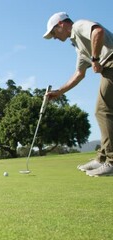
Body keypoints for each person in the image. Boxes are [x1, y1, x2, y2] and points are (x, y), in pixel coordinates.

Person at [44, 12, 113, 177]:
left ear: (61, 24)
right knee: (104, 111)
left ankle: (110, 161)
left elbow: (98, 31)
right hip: (108, 68)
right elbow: (79, 73)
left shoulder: (79, 26)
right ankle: (102, 158)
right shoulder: (78, 45)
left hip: (111, 63)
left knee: (102, 111)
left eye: (53, 32)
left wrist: (95, 59)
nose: (54, 37)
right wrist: (59, 92)